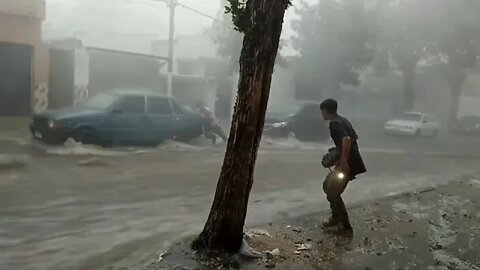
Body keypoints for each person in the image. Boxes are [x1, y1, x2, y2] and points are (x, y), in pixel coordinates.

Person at [320, 98, 366, 235]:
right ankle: (336, 218)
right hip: (348, 161)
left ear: (325, 111)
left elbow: (346, 139)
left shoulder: (335, 124)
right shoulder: (343, 120)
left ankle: (345, 227)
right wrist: (336, 153)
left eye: (322, 111)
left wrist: (344, 161)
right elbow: (352, 139)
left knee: (333, 192)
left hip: (347, 164)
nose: (322, 114)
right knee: (327, 186)